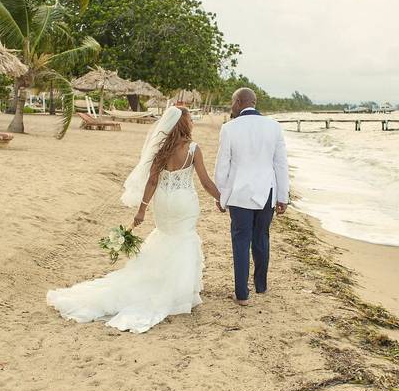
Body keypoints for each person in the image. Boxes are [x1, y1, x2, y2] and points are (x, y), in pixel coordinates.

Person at [46, 107, 222, 333]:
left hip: (163, 204)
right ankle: (179, 291)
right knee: (184, 239)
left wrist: (142, 210)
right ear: (185, 124)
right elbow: (206, 182)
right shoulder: (193, 149)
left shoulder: (161, 149)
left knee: (166, 236)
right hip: (183, 202)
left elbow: (152, 182)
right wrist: (222, 199)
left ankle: (164, 282)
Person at [214, 88, 290, 306]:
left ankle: (241, 294)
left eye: (231, 102)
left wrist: (221, 195)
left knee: (240, 241)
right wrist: (283, 196)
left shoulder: (229, 128)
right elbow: (280, 164)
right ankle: (261, 285)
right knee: (261, 238)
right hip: (266, 192)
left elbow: (222, 166)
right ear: (254, 103)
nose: (231, 107)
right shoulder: (274, 127)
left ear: (238, 102)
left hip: (239, 194)